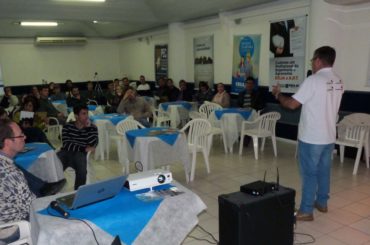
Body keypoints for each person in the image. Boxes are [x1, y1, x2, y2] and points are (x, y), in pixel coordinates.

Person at [271, 46, 344, 221]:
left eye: (312, 59)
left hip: (312, 137)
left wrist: (278, 94)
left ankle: (306, 210)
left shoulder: (313, 80)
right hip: (328, 136)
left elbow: (291, 104)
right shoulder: (338, 80)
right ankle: (322, 203)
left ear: (318, 60)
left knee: (309, 173)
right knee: (324, 170)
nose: (312, 62)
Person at [0, 118, 36, 225]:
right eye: (20, 135)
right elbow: (33, 207)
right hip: (10, 229)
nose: (25, 137)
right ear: (7, 142)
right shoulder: (11, 174)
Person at [58, 105, 98, 190]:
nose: (86, 116)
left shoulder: (93, 128)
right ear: (76, 116)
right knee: (55, 166)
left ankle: (77, 192)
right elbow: (66, 144)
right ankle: (54, 190)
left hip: (80, 154)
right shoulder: (67, 127)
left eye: (87, 113)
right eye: (83, 114)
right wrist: (83, 148)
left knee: (82, 171)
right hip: (66, 152)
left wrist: (88, 128)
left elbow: (92, 144)